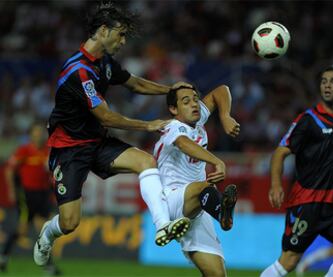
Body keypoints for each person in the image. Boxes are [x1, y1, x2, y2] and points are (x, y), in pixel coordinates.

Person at [33, 3, 193, 267]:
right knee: (70, 222)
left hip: (97, 142)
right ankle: (48, 235)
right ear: (104, 31)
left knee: (146, 163)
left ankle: (163, 224)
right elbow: (106, 116)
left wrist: (171, 90)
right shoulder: (78, 71)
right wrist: (147, 125)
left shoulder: (104, 62)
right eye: (120, 34)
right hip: (70, 150)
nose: (123, 41)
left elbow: (136, 83)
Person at [261, 65, 333, 277]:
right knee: (288, 262)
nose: (327, 85)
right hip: (306, 203)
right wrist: (275, 185)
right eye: (324, 81)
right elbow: (280, 152)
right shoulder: (307, 120)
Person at [154, 84, 240, 276]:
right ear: (173, 109)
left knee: (217, 274)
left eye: (195, 99)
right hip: (171, 200)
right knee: (204, 187)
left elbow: (222, 90)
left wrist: (225, 116)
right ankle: (222, 215)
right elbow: (183, 144)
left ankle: (221, 213)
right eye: (186, 101)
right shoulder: (171, 127)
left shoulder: (197, 118)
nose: (194, 104)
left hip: (199, 208)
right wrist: (217, 161)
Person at [1, 123, 60, 275]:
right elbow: (9, 170)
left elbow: (53, 172)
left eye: (41, 133)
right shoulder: (24, 150)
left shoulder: (47, 151)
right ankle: (4, 257)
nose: (38, 135)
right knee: (23, 229)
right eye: (36, 132)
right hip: (27, 194)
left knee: (44, 231)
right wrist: (12, 191)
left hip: (43, 194)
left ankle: (48, 266)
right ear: (31, 135)